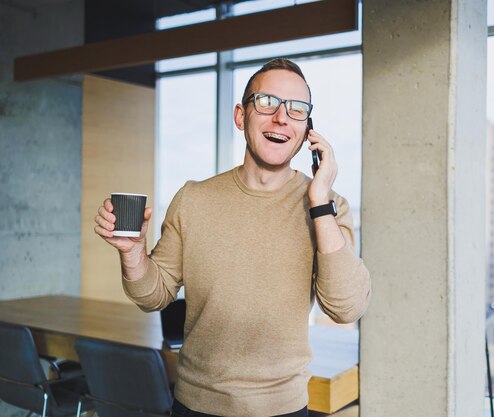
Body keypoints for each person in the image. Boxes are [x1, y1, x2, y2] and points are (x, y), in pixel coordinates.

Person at [94, 58, 371, 417]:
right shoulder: (193, 198)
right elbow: (154, 295)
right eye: (267, 102)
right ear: (241, 116)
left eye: (297, 109)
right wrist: (133, 254)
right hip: (196, 404)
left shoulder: (330, 208)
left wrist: (319, 203)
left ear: (307, 131)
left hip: (283, 409)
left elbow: (346, 306)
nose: (282, 117)